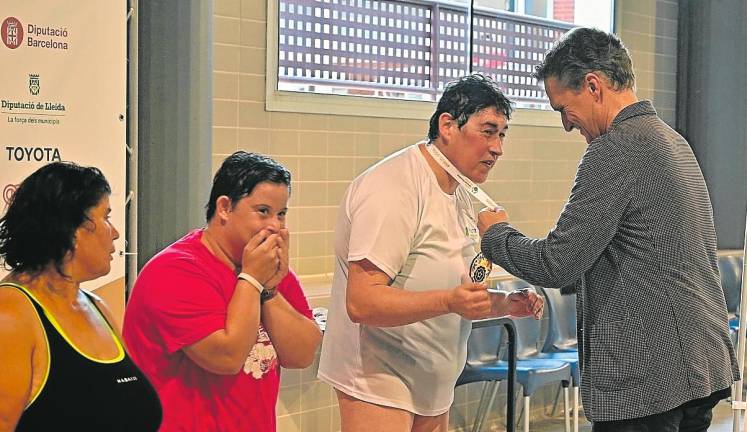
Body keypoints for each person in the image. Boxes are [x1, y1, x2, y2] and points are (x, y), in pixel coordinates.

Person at [478, 27, 739, 431]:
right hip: (699, 365)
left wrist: (495, 235)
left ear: (593, 86)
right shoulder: (671, 140)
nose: (567, 124)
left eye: (563, 108)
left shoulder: (616, 148)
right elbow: (649, 254)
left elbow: (557, 263)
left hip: (649, 379)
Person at [318, 74, 545, 432]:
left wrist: (504, 303)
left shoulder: (460, 193)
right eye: (488, 131)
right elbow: (362, 303)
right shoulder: (394, 187)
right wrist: (450, 302)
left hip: (433, 382)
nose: (498, 147)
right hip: (378, 380)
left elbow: (453, 290)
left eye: (502, 134)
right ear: (448, 125)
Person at [123, 151, 322, 431]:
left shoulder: (266, 268)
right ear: (225, 207)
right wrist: (252, 280)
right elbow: (226, 357)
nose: (275, 227)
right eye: (263, 211)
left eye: (281, 214)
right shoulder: (174, 271)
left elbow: (301, 355)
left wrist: (269, 290)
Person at [0, 162, 162, 431]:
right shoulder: (12, 315)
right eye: (106, 217)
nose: (115, 233)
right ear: (70, 228)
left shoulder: (97, 307)